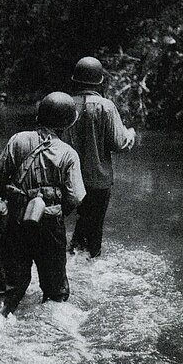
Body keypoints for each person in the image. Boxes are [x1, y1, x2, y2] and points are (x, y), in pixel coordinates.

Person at [0, 92, 86, 316]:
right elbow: (76, 197)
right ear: (67, 123)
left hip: (17, 221)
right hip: (50, 224)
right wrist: (57, 212)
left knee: (8, 288)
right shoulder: (68, 154)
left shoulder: (18, 140)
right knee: (55, 291)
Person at [63, 57, 136, 258]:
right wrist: (130, 133)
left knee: (66, 225)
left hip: (68, 179)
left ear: (75, 80)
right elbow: (119, 144)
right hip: (98, 181)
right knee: (93, 232)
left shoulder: (65, 104)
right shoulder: (106, 106)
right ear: (100, 81)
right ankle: (89, 265)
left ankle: (71, 258)